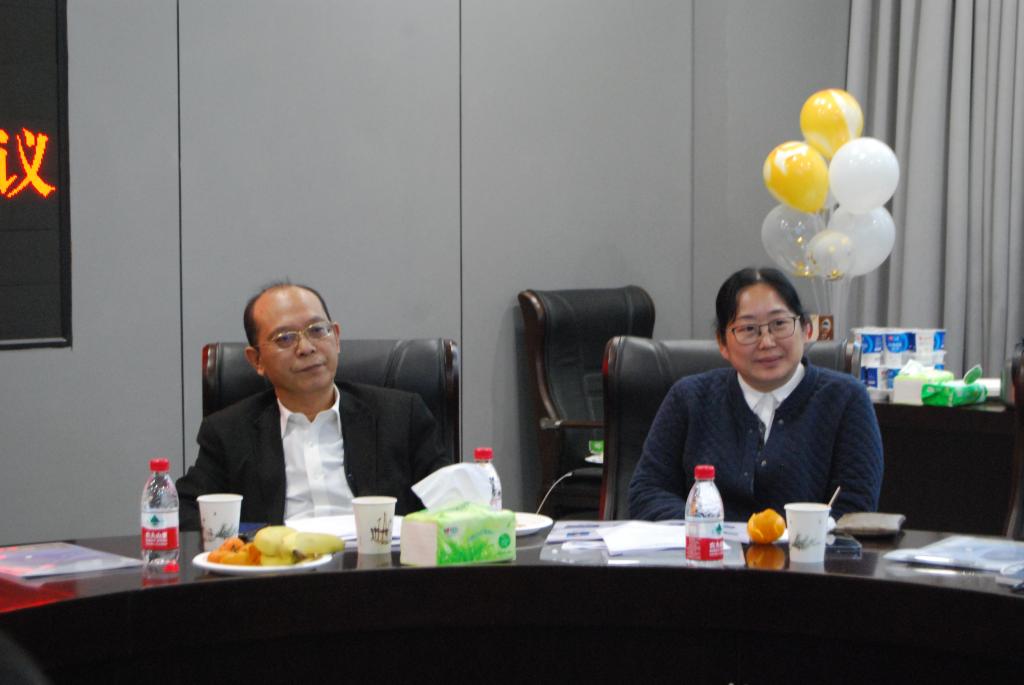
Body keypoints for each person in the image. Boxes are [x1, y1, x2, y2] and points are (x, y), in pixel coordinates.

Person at [176, 282, 449, 529]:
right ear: (256, 360)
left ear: (336, 337)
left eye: (317, 330)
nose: (306, 347)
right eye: (285, 338)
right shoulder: (228, 432)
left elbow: (451, 506)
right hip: (277, 565)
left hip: (378, 563)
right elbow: (185, 513)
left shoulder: (401, 416)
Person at [628, 267, 883, 522]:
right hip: (705, 546)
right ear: (722, 344)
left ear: (806, 330)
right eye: (749, 329)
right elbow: (648, 492)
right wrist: (709, 531)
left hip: (806, 548)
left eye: (779, 324)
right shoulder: (689, 398)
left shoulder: (846, 399)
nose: (767, 342)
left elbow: (854, 509)